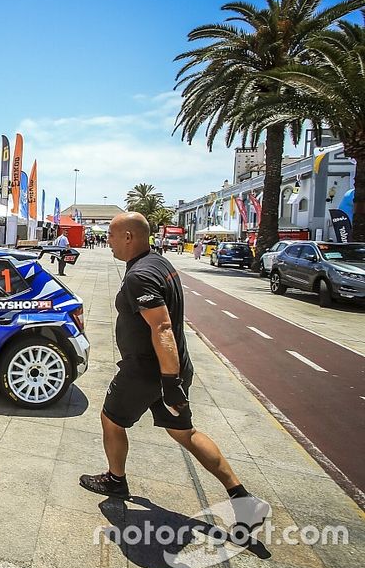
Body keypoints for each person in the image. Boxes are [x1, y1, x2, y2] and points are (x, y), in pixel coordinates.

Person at [80, 212, 270, 540]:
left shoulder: (140, 275)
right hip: (171, 369)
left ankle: (115, 478)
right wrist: (174, 379)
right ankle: (242, 498)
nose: (107, 240)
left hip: (146, 372)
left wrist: (169, 384)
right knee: (184, 433)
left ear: (129, 237)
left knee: (111, 419)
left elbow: (163, 326)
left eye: (111, 235)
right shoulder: (159, 263)